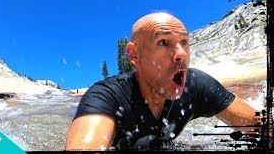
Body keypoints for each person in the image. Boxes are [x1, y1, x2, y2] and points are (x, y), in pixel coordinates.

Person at [65, 12, 261, 150]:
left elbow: (259, 126)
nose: (181, 54)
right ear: (134, 55)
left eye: (184, 42)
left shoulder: (197, 86)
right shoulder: (107, 96)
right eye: (163, 42)